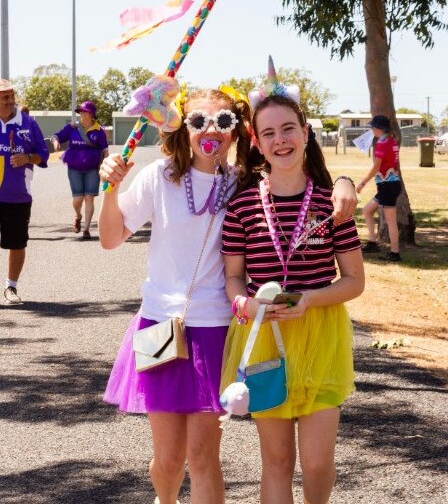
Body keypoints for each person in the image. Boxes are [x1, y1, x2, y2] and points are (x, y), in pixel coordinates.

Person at [98, 75, 359, 504]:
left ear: (237, 131)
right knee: (167, 459)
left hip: (217, 328)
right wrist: (111, 189)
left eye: (223, 120)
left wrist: (345, 179)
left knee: (203, 457)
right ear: (183, 125)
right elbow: (110, 238)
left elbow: (298, 171)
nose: (210, 130)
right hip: (159, 326)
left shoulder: (242, 183)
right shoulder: (157, 177)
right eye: (198, 120)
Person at [220, 92, 364, 504]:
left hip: (321, 335)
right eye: (269, 133)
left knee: (317, 463)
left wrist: (310, 299)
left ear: (305, 134)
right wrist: (243, 304)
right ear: (256, 142)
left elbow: (354, 280)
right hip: (265, 336)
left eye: (288, 129)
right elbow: (233, 277)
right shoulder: (242, 208)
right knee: (278, 463)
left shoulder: (331, 206)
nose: (280, 139)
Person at [0, 79, 49, 305]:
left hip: (17, 196)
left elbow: (43, 154)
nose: (11, 101)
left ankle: (11, 287)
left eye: (11, 96)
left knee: (17, 243)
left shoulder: (28, 123)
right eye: (5, 97)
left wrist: (28, 158)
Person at [52, 101, 109, 240]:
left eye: (85, 112)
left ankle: (86, 229)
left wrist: (106, 167)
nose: (82, 114)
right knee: (78, 198)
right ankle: (78, 216)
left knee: (89, 197)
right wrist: (56, 143)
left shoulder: (99, 131)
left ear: (92, 114)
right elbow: (56, 136)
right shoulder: (72, 128)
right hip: (74, 167)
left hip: (92, 168)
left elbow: (105, 151)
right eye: (81, 112)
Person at [356, 114, 402, 262]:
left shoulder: (382, 143)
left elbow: (376, 166)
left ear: (379, 128)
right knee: (367, 210)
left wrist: (362, 183)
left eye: (373, 126)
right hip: (387, 186)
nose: (371, 129)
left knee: (391, 221)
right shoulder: (391, 141)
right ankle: (372, 242)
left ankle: (395, 253)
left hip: (388, 186)